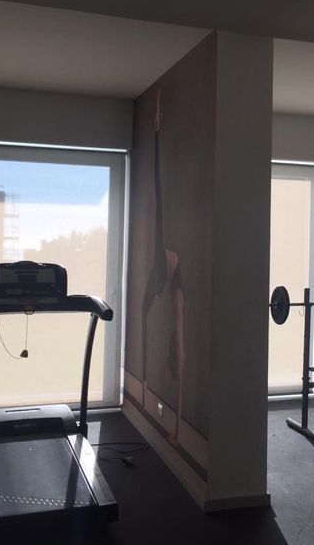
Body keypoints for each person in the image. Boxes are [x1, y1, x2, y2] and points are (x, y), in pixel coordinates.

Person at [142, 90, 185, 446]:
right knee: (170, 334)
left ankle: (175, 425)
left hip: (167, 270)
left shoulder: (167, 267)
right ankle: (145, 393)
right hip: (165, 271)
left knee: (176, 338)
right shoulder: (165, 270)